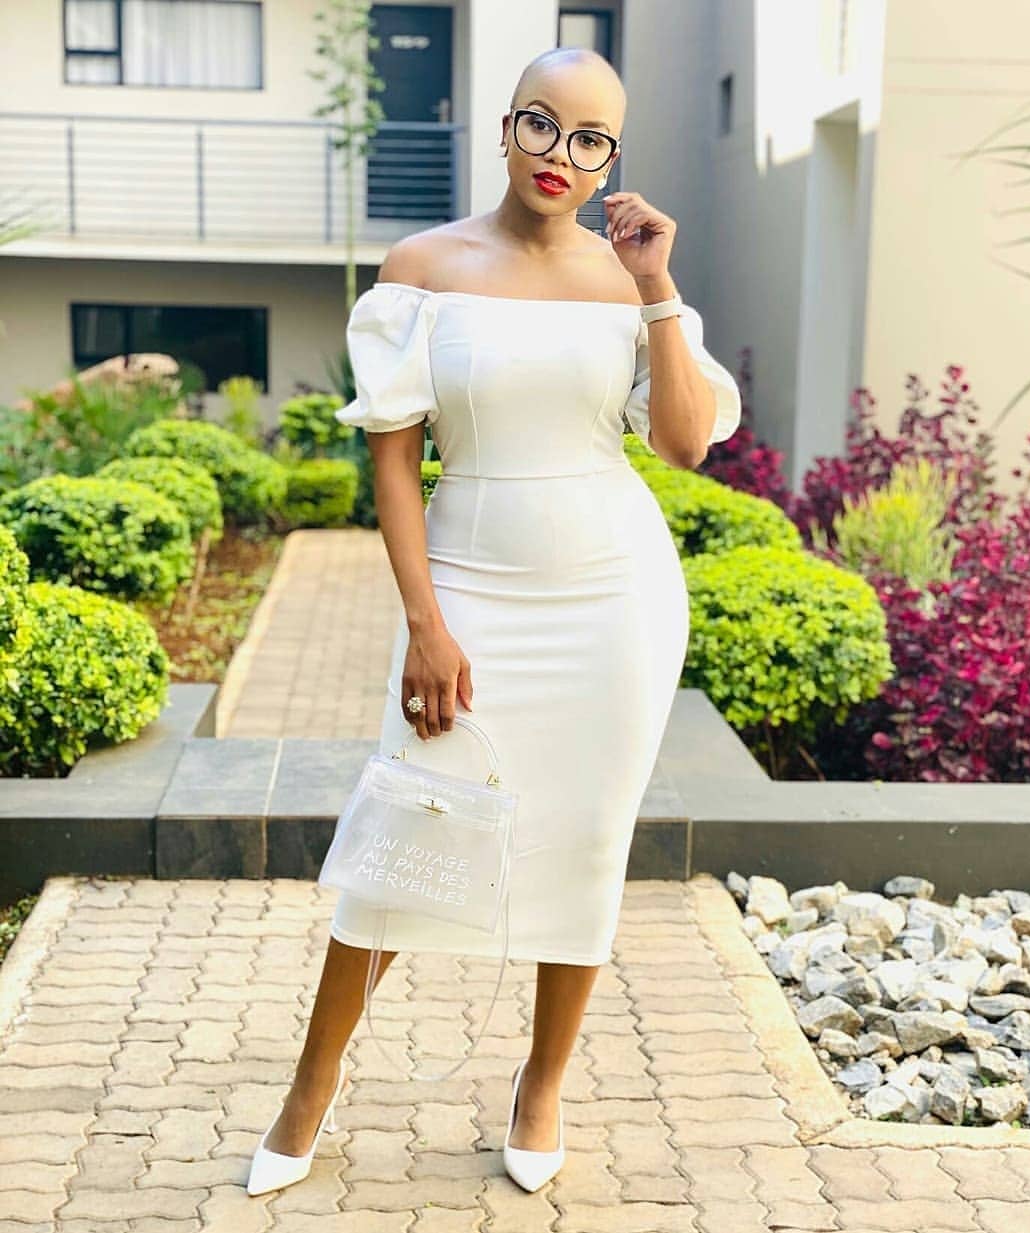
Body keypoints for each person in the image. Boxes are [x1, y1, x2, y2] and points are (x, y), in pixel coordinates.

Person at [247, 45, 741, 1198]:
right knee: (405, 829)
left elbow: (682, 443)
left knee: (588, 841)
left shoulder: (629, 281)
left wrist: (658, 287)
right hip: (466, 582)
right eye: (540, 123)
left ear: (612, 158)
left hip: (614, 599)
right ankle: (312, 1085)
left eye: (591, 138)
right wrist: (426, 625)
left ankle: (542, 1084)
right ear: (506, 124)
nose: (560, 154)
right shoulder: (423, 269)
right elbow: (393, 463)